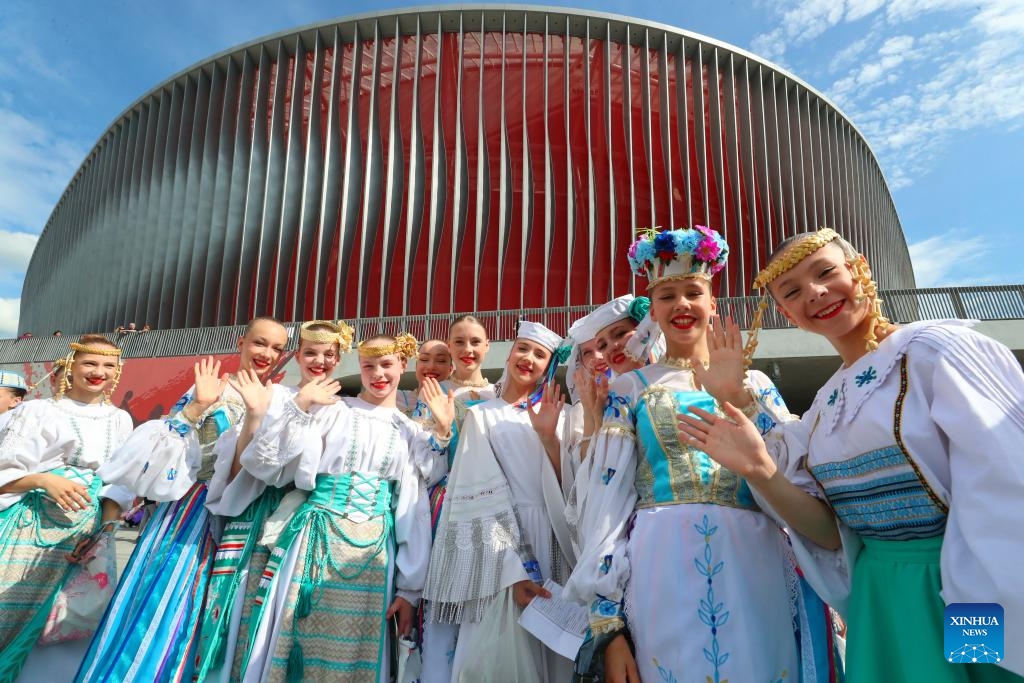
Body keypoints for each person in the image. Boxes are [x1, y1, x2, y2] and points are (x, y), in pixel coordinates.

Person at [678, 227, 1024, 681]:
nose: (816, 293)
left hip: (963, 588)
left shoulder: (935, 352)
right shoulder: (825, 405)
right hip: (878, 597)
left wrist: (975, 630)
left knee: (982, 675)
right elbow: (829, 532)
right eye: (793, 292)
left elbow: (1004, 496)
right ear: (787, 313)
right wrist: (754, 449)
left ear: (859, 268)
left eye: (825, 273)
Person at [565, 226, 840, 683]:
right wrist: (608, 625)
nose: (682, 305)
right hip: (661, 560)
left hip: (755, 557)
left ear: (713, 303)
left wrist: (741, 397)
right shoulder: (630, 389)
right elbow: (606, 505)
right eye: (667, 295)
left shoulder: (755, 384)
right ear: (652, 310)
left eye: (694, 291)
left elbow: (796, 470)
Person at [78, 317, 289, 683]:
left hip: (248, 521)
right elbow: (163, 456)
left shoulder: (281, 399)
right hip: (192, 514)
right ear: (241, 342)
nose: (267, 354)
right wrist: (195, 408)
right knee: (165, 609)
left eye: (276, 348)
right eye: (260, 343)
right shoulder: (211, 389)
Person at [232, 332, 453, 682]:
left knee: (357, 654)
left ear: (403, 365)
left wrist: (409, 589)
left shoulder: (408, 429)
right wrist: (302, 405)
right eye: (368, 366)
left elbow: (415, 505)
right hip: (316, 543)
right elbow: (267, 464)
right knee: (299, 636)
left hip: (374, 557)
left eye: (386, 365)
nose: (378, 374)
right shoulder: (334, 410)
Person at [195, 319, 355, 681]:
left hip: (306, 526)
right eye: (310, 352)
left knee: (282, 617)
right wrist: (296, 404)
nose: (319, 361)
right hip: (260, 512)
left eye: (329, 355)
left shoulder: (346, 411)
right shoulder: (277, 395)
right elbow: (259, 465)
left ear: (339, 359)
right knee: (241, 609)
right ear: (297, 356)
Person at [425, 320, 577, 683]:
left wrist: (549, 438)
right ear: (509, 354)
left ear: (550, 366)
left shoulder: (564, 416)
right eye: (522, 349)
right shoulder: (481, 415)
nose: (528, 358)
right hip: (502, 551)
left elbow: (572, 490)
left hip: (555, 537)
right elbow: (479, 495)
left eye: (539, 354)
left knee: (555, 654)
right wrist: (513, 570)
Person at [0, 336, 134, 681]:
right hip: (28, 531)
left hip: (85, 536)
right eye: (89, 363)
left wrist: (104, 534)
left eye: (108, 366)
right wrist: (45, 480)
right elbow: (4, 470)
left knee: (71, 622)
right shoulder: (37, 410)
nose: (98, 372)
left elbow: (118, 483)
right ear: (71, 366)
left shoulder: (120, 419)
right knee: (9, 617)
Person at [396, 338, 454, 418]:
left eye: (440, 361)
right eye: (424, 359)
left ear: (450, 369)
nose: (431, 367)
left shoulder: (458, 401)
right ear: (416, 366)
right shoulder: (397, 398)